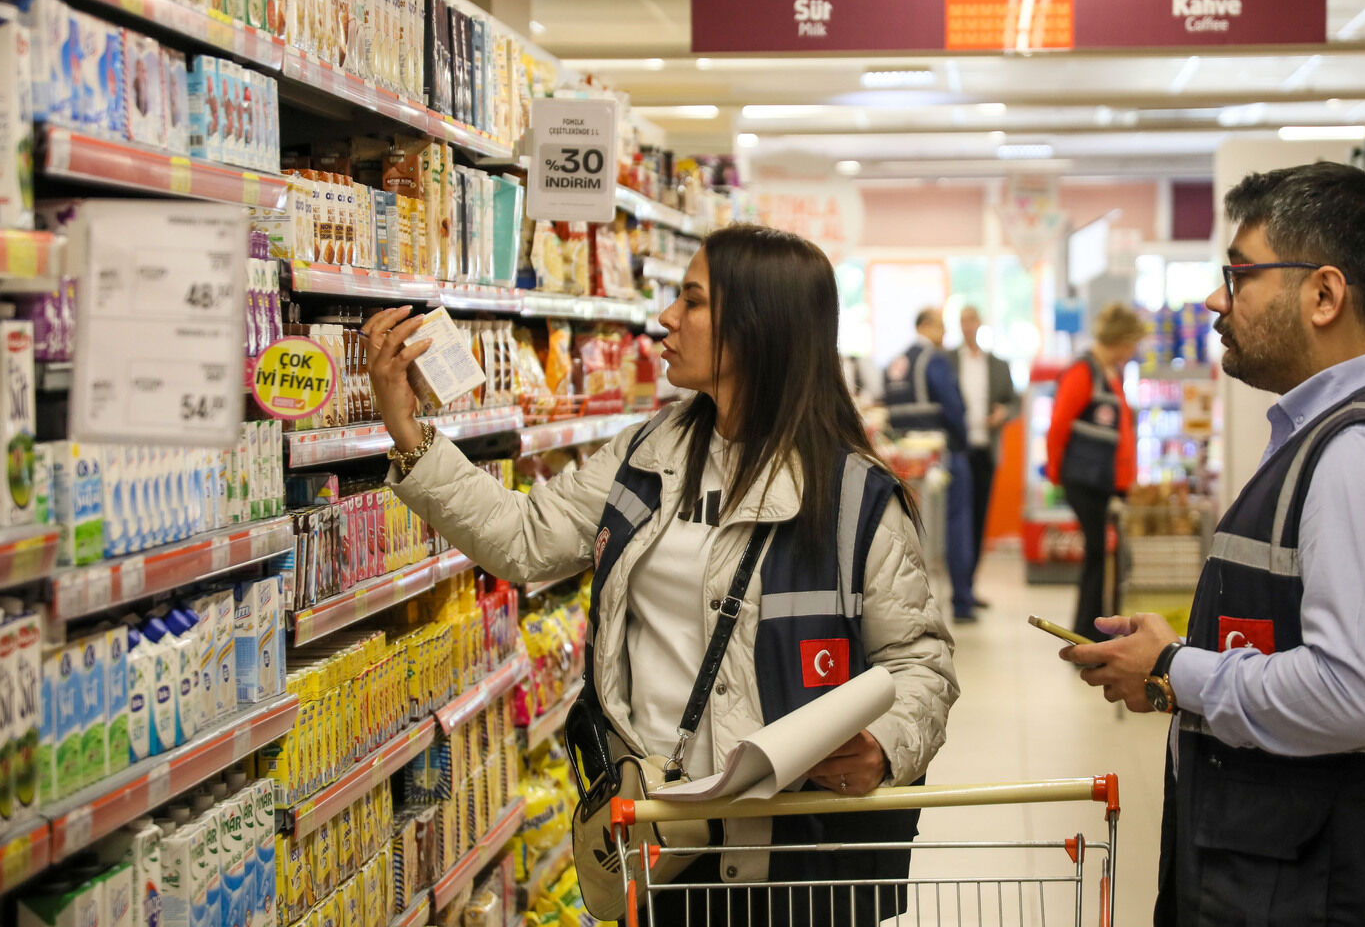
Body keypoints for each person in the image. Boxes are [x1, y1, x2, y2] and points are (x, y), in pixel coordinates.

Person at [363, 225, 958, 924]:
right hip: (658, 845)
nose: (667, 319)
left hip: (795, 865)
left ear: (756, 327)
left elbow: (921, 664)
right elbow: (525, 541)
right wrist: (409, 434)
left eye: (693, 300)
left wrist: (885, 748)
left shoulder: (854, 501)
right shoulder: (647, 455)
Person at [1060, 162, 1365, 926]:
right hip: (1331, 873)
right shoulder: (1339, 437)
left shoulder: (1360, 455)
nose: (1215, 299)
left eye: (1239, 275)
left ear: (1324, 294)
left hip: (1355, 886)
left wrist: (1179, 670)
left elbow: (1356, 696)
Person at [1046, 303, 1146, 639]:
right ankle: (1089, 634)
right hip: (1085, 480)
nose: (1134, 350)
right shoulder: (1083, 371)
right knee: (1097, 557)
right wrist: (1056, 474)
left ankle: (1096, 631)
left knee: (1100, 557)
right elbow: (1058, 425)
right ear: (1121, 338)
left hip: (1102, 482)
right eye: (1133, 342)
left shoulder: (1108, 372)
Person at [882, 307, 976, 622]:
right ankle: (961, 602)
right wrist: (961, 443)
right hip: (940, 456)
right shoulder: (934, 360)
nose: (945, 334)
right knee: (956, 526)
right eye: (941, 326)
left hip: (902, 458)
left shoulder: (897, 362)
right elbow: (953, 407)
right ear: (926, 326)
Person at [947, 305, 1020, 607]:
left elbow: (1015, 401)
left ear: (979, 324)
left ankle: (969, 584)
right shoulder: (948, 360)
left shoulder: (998, 364)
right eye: (963, 320)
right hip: (956, 450)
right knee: (956, 520)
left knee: (978, 520)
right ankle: (958, 586)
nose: (968, 326)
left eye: (972, 320)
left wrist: (1003, 412)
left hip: (985, 449)